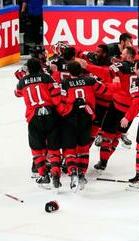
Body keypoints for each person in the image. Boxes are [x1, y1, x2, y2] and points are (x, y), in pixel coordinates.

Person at [60, 61, 114, 191]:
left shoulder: (65, 83)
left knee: (69, 148)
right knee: (84, 149)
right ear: (81, 70)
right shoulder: (90, 81)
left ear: (69, 72)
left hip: (70, 119)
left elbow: (60, 101)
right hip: (86, 118)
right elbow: (106, 92)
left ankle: (72, 171)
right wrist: (115, 84)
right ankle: (82, 174)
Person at [83, 47, 137, 171]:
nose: (120, 55)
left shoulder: (120, 66)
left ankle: (103, 161)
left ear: (129, 56)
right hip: (132, 109)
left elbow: (105, 73)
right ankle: (104, 161)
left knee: (107, 136)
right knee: (117, 136)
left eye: (123, 54)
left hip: (117, 107)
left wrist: (88, 67)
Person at [15, 58, 62, 188]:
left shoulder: (22, 82)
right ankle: (56, 173)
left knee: (36, 149)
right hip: (50, 115)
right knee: (53, 148)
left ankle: (43, 175)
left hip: (33, 117)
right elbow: (56, 93)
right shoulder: (47, 78)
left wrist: (23, 78)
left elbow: (17, 94)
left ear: (28, 69)